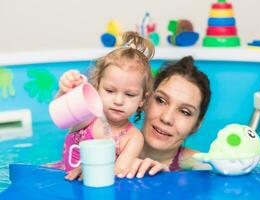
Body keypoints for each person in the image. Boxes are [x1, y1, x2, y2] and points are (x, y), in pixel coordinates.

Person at [65, 55, 212, 180]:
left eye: (185, 112)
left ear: (197, 125)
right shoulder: (103, 135)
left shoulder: (196, 163)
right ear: (145, 101)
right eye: (161, 100)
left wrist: (166, 180)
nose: (167, 118)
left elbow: (228, 171)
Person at [49, 31, 155, 179]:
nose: (118, 101)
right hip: (62, 175)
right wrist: (65, 90)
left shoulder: (132, 138)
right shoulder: (87, 116)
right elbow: (60, 114)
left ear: (143, 99)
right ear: (97, 86)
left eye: (129, 94)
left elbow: (119, 173)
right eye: (110, 90)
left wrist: (90, 170)